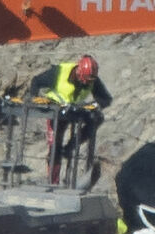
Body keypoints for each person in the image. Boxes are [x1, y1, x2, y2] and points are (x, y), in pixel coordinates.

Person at [28, 54, 113, 184]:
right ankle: (53, 182)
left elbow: (106, 98)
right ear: (79, 71)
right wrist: (33, 97)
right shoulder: (59, 72)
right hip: (55, 110)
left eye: (89, 80)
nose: (87, 83)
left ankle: (71, 146)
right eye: (85, 79)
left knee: (96, 118)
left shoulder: (92, 79)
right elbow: (36, 81)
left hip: (74, 109)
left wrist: (96, 104)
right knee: (55, 145)